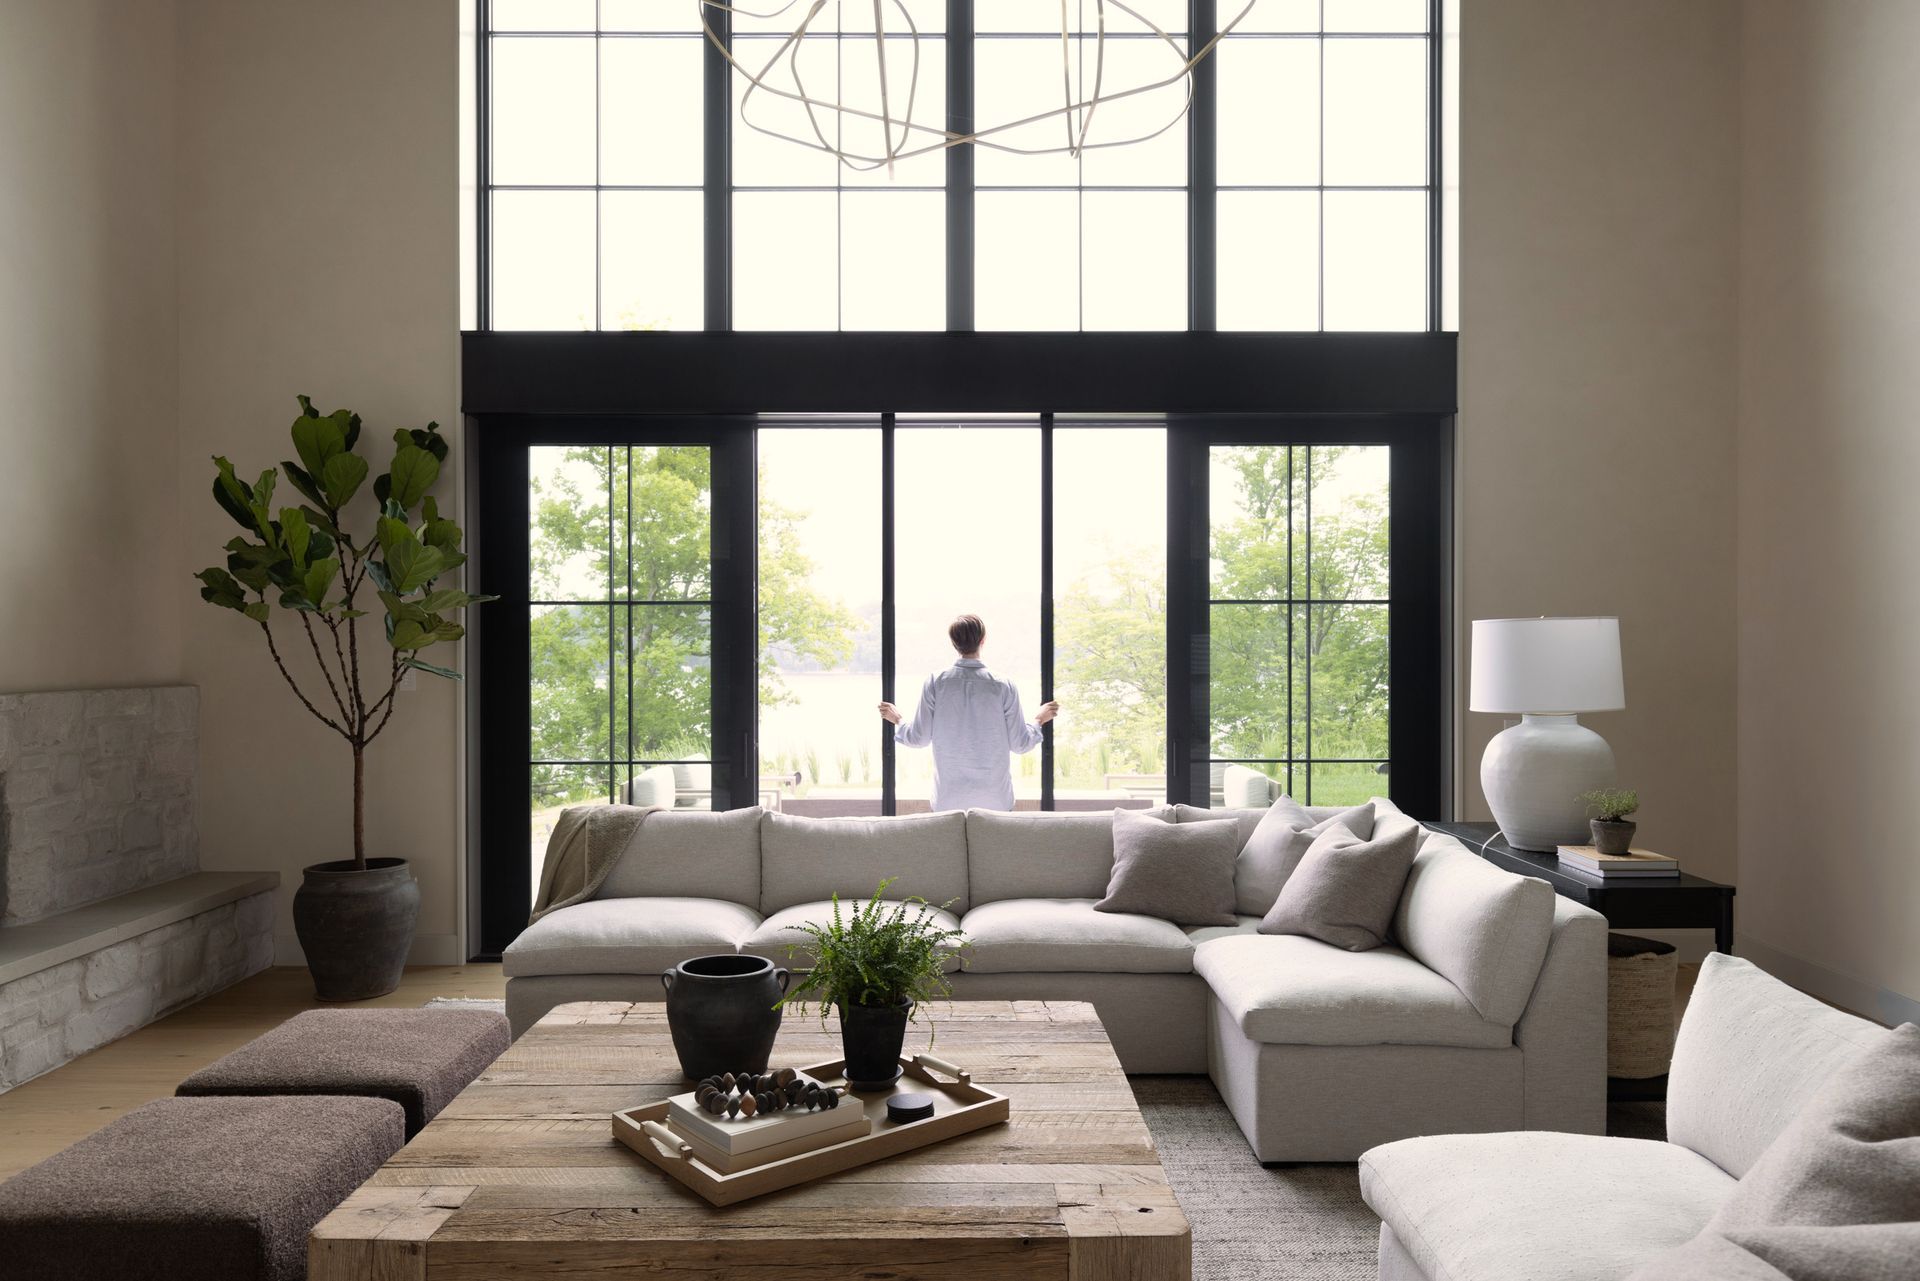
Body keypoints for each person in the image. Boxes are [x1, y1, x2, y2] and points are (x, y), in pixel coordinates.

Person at [879, 614, 1059, 813]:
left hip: (948, 801)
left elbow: (918, 738)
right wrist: (1039, 719)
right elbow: (1020, 744)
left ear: (953, 643)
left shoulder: (936, 682)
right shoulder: (1003, 685)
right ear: (983, 640)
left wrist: (897, 719)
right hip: (996, 801)